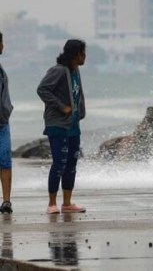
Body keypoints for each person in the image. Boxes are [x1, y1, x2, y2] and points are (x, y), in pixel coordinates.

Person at [37, 39, 87, 215]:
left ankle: (67, 203)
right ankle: (52, 204)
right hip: (57, 124)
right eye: (83, 53)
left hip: (73, 125)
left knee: (71, 163)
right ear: (75, 55)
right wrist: (61, 106)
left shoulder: (76, 70)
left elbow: (78, 94)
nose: (85, 57)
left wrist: (79, 112)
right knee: (59, 163)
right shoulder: (58, 71)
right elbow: (42, 89)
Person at [0, 31, 14, 214]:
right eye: (1, 42)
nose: (3, 46)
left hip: (2, 122)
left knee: (5, 161)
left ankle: (7, 201)